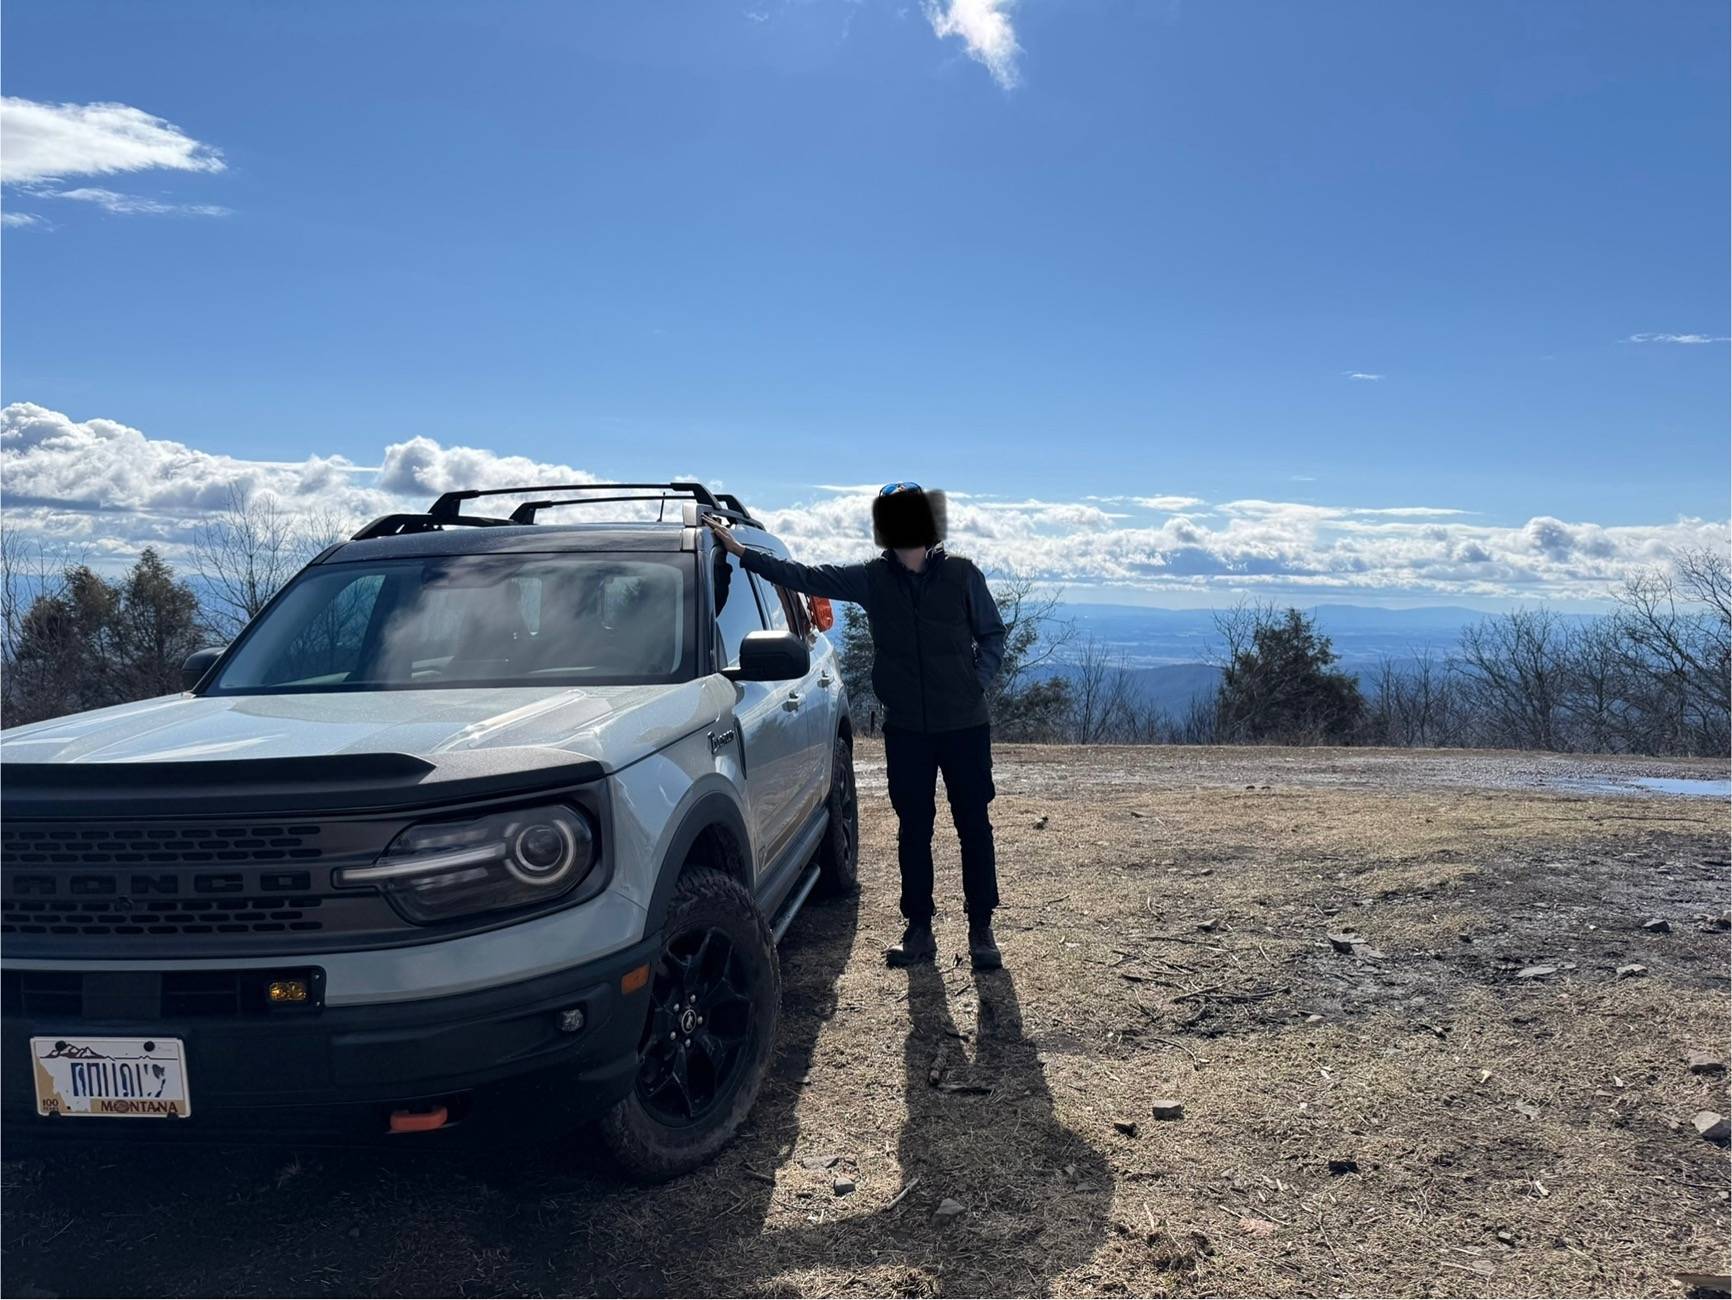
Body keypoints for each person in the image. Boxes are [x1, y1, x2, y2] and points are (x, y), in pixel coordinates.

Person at [706, 483, 1008, 969]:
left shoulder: (961, 575)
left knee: (974, 826)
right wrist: (743, 554)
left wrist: (977, 680)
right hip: (908, 728)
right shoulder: (873, 580)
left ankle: (981, 930)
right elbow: (805, 577)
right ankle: (919, 930)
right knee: (914, 829)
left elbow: (992, 633)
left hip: (965, 726)